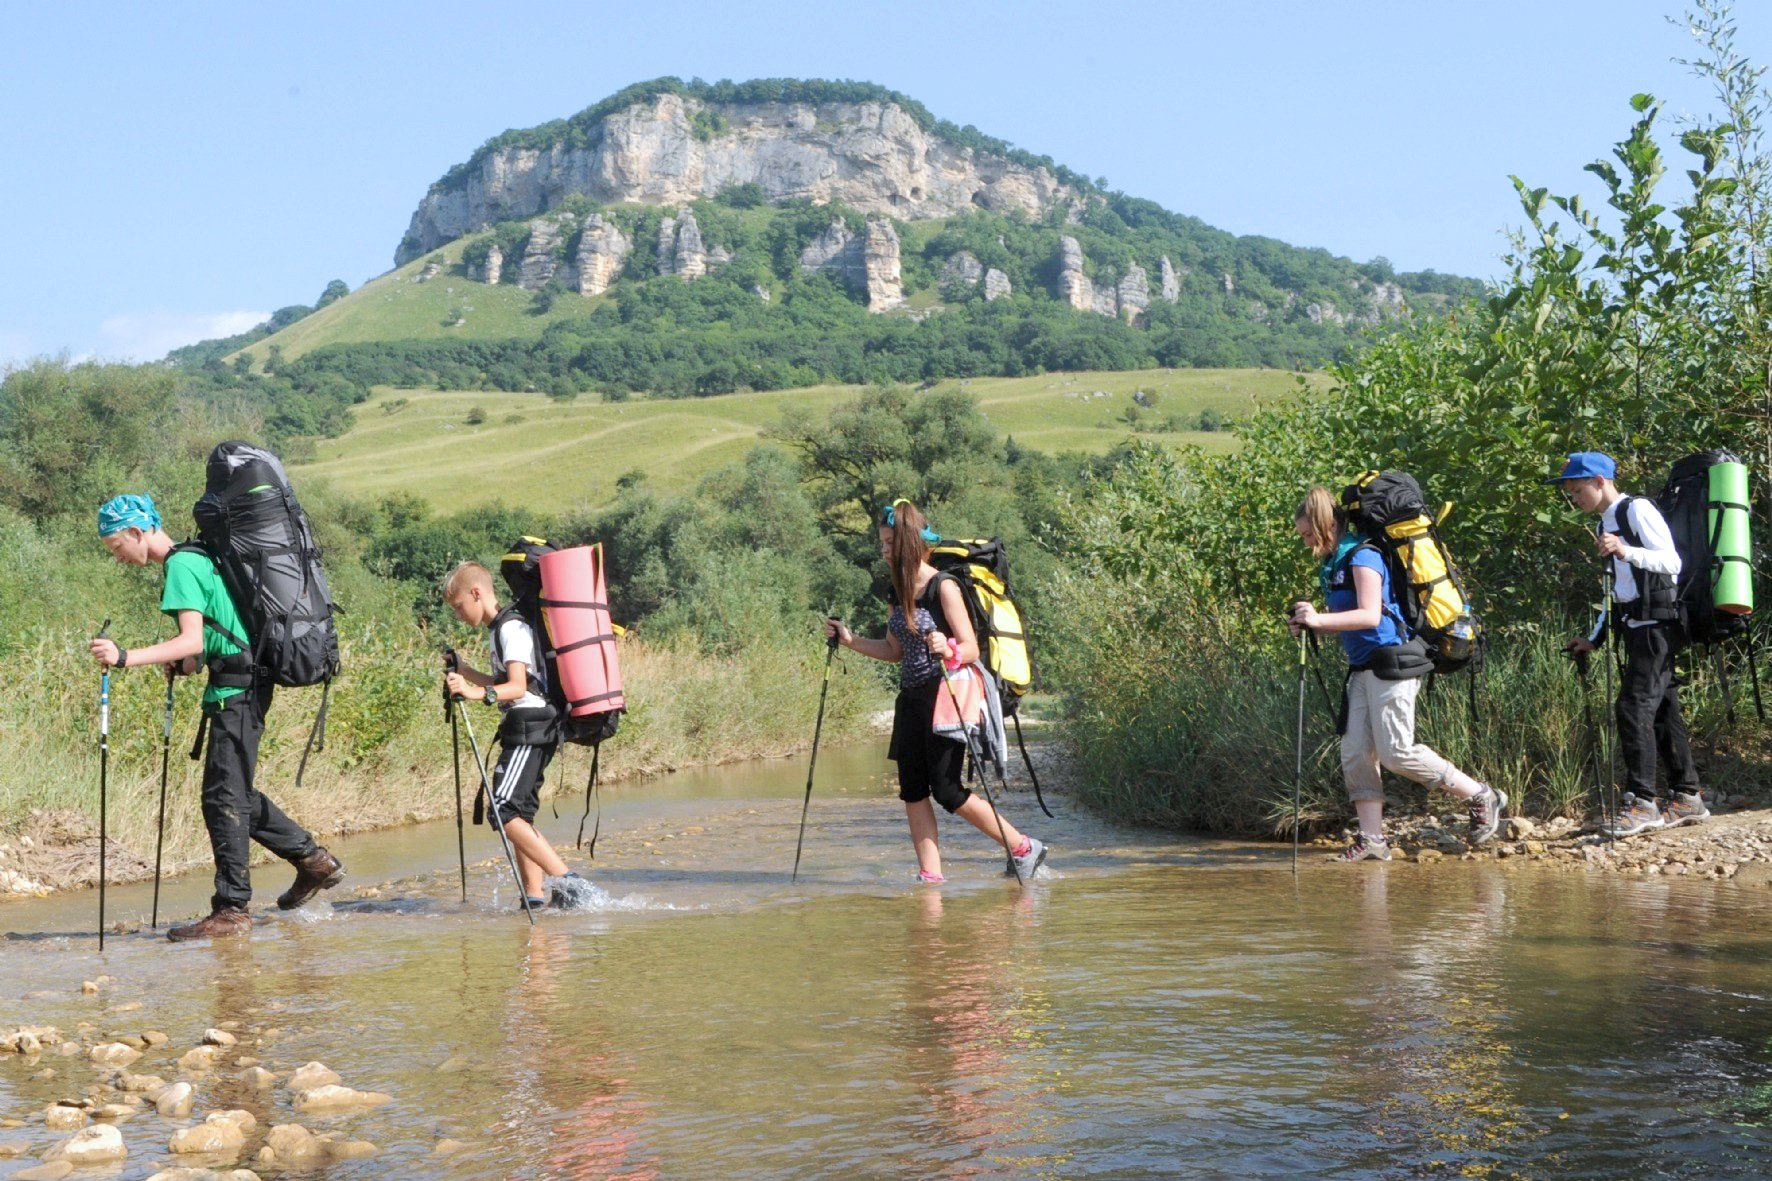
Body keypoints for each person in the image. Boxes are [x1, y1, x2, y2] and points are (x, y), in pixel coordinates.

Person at [88, 494, 344, 941]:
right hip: (241, 686)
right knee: (233, 792)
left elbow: (189, 639)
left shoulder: (181, 566)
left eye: (116, 547)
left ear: (136, 531)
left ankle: (232, 909)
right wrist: (187, 665)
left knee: (223, 798)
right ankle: (313, 862)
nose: (119, 558)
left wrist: (125, 656)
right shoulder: (198, 556)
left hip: (237, 693)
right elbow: (211, 638)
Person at [824, 500, 1048, 883]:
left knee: (946, 791)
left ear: (910, 542)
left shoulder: (943, 586)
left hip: (946, 698)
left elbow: (972, 648)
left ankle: (1025, 847)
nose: (884, 549)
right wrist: (849, 641)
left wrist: (950, 648)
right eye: (882, 542)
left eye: (890, 542)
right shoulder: (897, 590)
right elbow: (895, 652)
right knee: (912, 790)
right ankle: (931, 877)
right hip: (910, 699)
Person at [1288, 486, 1505, 861]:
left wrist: (1321, 618)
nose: (1307, 543)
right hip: (1361, 668)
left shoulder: (1363, 555)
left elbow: (1371, 615)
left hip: (1394, 662)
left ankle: (1481, 794)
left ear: (1328, 525)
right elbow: (1348, 621)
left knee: (1396, 752)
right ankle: (1372, 840)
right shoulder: (1335, 561)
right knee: (1355, 752)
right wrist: (1310, 624)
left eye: (1309, 535)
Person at [1549, 451, 1707, 836]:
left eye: (1577, 489)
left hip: (1657, 626)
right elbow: (1617, 591)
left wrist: (1626, 550)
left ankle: (1642, 803)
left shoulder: (1636, 510)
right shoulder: (1607, 520)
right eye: (1570, 493)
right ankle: (1687, 797)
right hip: (1637, 625)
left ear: (1600, 481)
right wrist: (1594, 638)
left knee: (1633, 705)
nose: (1573, 499)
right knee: (1662, 710)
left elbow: (1673, 563)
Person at [441, 560, 581, 909]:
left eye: (459, 606)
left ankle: (569, 883)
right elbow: (506, 682)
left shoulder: (511, 627)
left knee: (502, 809)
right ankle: (533, 899)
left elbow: (518, 688)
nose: (458, 615)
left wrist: (475, 694)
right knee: (520, 814)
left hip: (530, 725)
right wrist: (466, 673)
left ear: (477, 593)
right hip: (528, 725)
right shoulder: (499, 629)